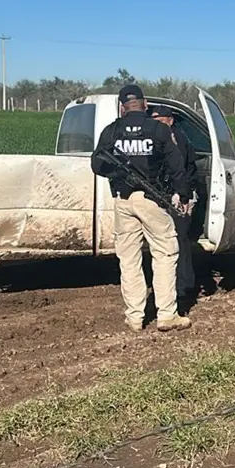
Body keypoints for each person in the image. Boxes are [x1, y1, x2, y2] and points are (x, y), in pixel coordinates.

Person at [91, 84, 192, 332]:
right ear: (144, 104)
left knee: (129, 259)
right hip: (152, 200)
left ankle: (135, 317)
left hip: (123, 202)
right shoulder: (158, 128)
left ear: (122, 106)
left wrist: (118, 173)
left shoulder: (112, 130)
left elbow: (97, 163)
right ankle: (167, 314)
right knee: (165, 254)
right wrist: (184, 194)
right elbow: (176, 164)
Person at [150, 104, 200, 311]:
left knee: (178, 240)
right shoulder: (159, 138)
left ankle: (182, 285)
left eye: (159, 121)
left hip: (179, 196)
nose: (156, 125)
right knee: (178, 240)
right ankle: (185, 282)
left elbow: (183, 171)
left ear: (170, 121)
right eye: (153, 121)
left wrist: (183, 196)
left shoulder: (177, 139)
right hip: (168, 195)